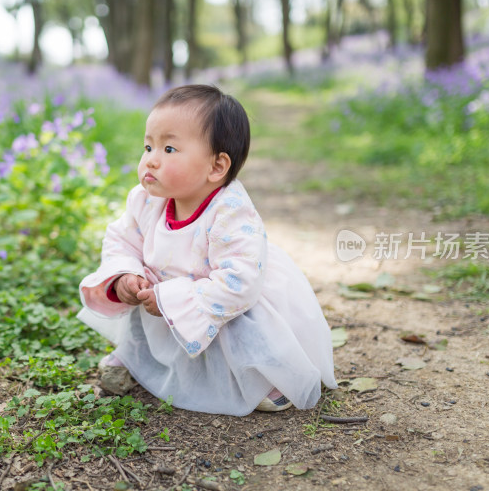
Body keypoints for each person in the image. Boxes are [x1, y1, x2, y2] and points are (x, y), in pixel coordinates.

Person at [78, 84, 337, 416]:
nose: (151, 161)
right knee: (141, 294)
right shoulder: (144, 200)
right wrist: (126, 274)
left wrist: (172, 298)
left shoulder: (230, 211)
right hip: (166, 302)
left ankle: (263, 375)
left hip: (228, 301)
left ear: (216, 167)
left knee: (244, 322)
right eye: (148, 146)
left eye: (169, 149)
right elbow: (122, 240)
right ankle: (135, 355)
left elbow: (239, 283)